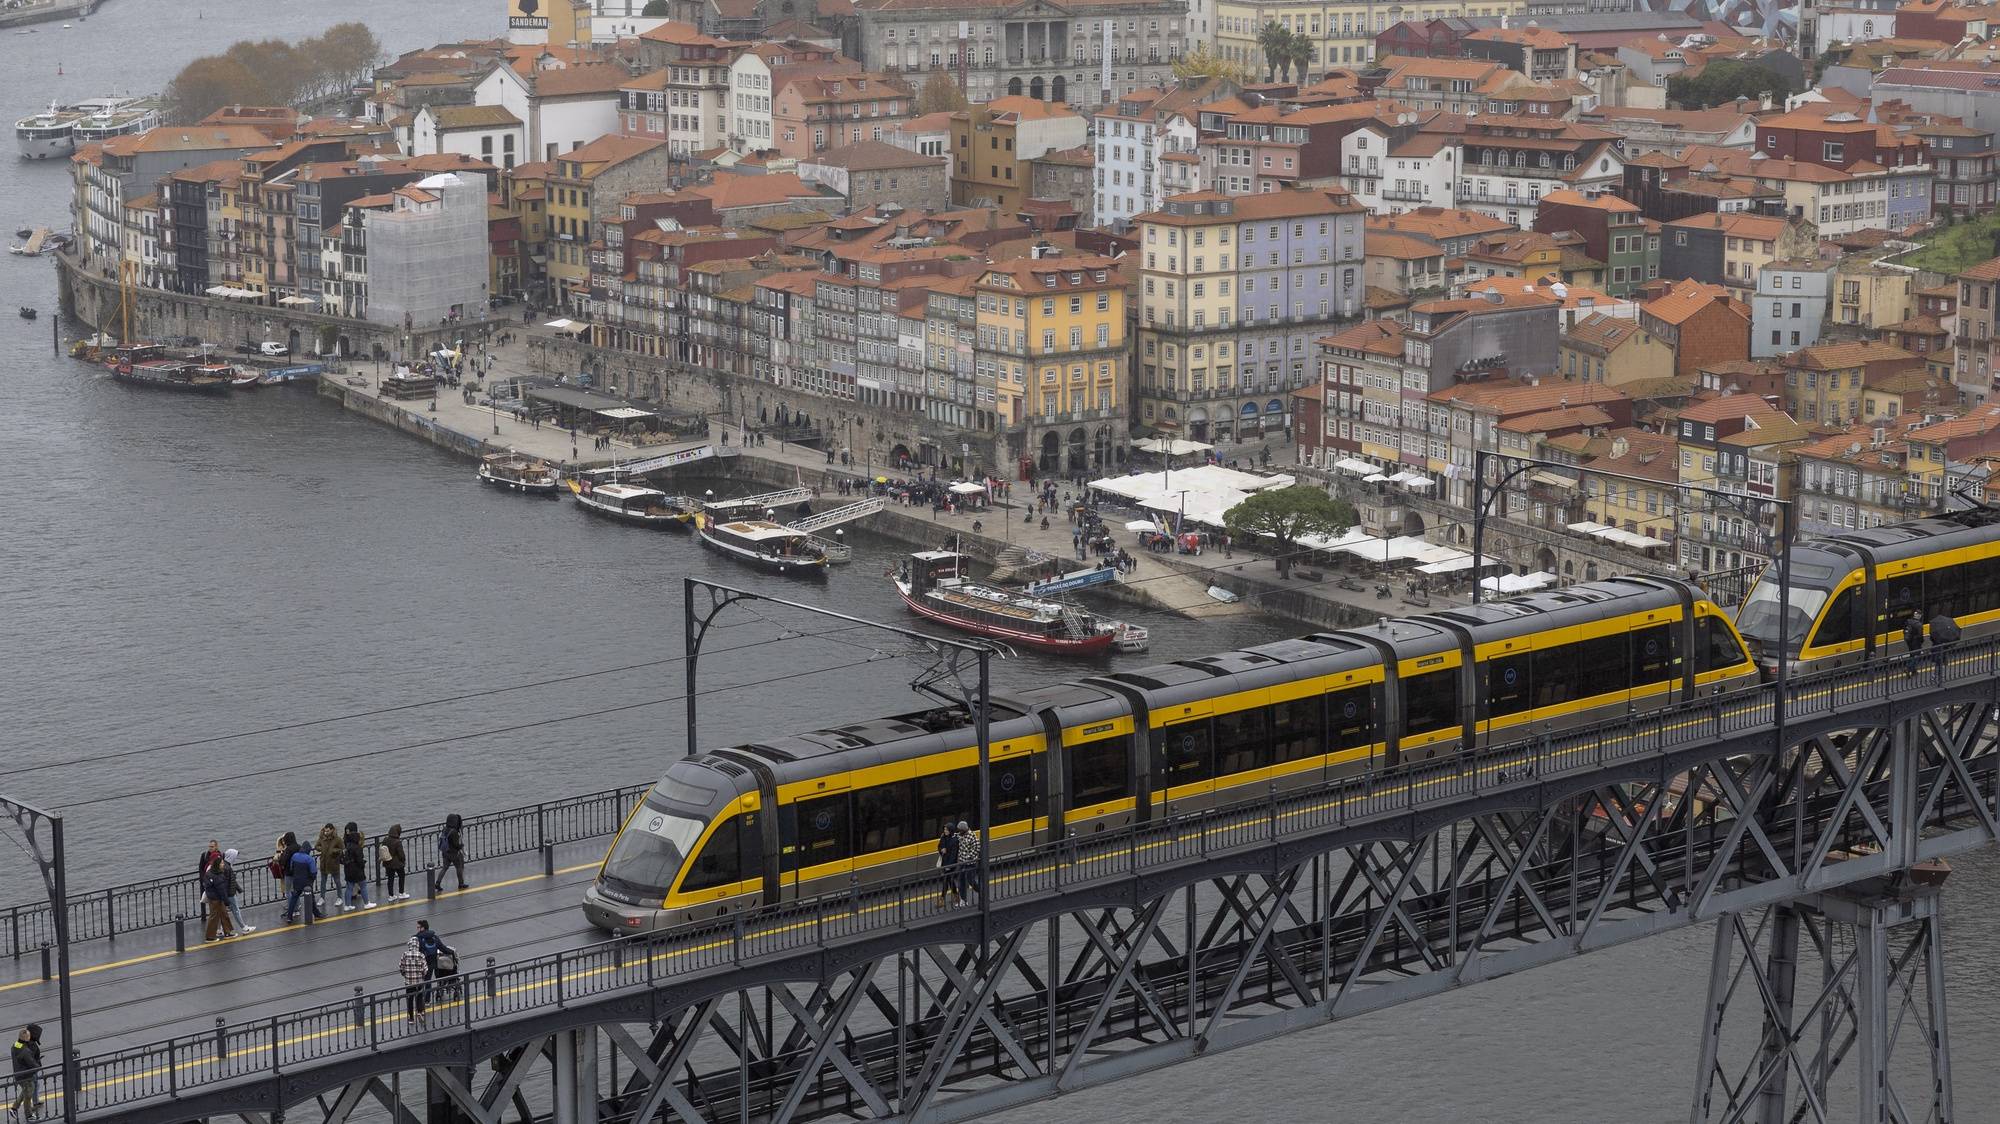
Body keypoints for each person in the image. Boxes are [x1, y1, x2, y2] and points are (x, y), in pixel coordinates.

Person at [218, 849, 254, 934]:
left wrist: (238, 889)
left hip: (228, 893)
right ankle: (244, 928)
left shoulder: (226, 866)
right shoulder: (227, 867)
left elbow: (230, 880)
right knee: (236, 910)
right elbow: (227, 882)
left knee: (222, 912)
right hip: (230, 894)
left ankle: (220, 929)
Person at [10, 1024, 41, 1123]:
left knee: (25, 1091)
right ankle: (29, 1115)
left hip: (18, 1074)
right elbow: (32, 1064)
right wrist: (38, 1067)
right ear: (27, 1038)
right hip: (27, 1075)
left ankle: (14, 1108)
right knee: (28, 1096)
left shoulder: (15, 1046)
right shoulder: (25, 1051)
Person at [201, 855, 235, 942]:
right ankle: (210, 937)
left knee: (223, 914)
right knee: (215, 916)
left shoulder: (209, 873)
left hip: (212, 898)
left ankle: (227, 932)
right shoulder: (218, 876)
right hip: (217, 899)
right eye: (222, 863)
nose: (223, 864)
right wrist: (226, 901)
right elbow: (222, 890)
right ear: (218, 865)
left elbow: (206, 885)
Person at [398, 938, 431, 1025]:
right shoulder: (421, 955)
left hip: (409, 982)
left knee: (410, 1000)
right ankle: (420, 1012)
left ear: (409, 945)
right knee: (419, 996)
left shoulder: (405, 955)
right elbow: (425, 969)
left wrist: (405, 974)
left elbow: (401, 967)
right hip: (419, 981)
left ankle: (411, 1019)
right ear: (417, 945)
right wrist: (422, 976)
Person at [283, 841, 318, 925]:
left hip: (297, 881)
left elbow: (291, 868)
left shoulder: (295, 856)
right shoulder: (309, 859)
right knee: (311, 898)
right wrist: (311, 879)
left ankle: (289, 917)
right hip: (307, 882)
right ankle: (317, 914)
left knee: (294, 899)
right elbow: (313, 872)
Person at [341, 823, 374, 911]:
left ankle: (347, 905)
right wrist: (362, 865)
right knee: (363, 885)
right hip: (357, 870)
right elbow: (359, 860)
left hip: (348, 868)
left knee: (349, 887)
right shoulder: (357, 847)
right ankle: (367, 903)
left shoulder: (347, 845)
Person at [954, 821, 983, 906]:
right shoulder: (960, 835)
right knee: (961, 881)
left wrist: (968, 858)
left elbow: (976, 849)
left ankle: (982, 893)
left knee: (971, 881)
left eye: (960, 830)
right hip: (962, 862)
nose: (959, 831)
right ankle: (963, 900)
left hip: (970, 863)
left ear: (964, 829)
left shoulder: (972, 836)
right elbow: (954, 836)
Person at [314, 823, 343, 902]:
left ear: (332, 830)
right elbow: (316, 846)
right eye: (325, 831)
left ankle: (340, 897)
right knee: (323, 881)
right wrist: (322, 849)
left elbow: (342, 849)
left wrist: (334, 851)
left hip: (334, 862)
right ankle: (322, 897)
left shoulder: (337, 839)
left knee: (337, 881)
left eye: (328, 831)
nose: (326, 833)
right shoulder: (322, 838)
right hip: (324, 863)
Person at [440, 813, 469, 891]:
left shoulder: (444, 829)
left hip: (445, 852)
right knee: (459, 868)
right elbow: (456, 844)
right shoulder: (454, 832)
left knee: (444, 868)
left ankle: (437, 883)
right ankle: (461, 884)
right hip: (454, 854)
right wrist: (461, 846)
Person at [380, 825, 409, 901]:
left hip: (388, 862)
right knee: (401, 876)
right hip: (397, 864)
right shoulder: (397, 842)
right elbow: (401, 854)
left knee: (390, 879)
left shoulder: (385, 839)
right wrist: (403, 861)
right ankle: (401, 893)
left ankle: (391, 895)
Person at [935, 825, 961, 906]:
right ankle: (956, 895)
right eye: (944, 829)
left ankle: (942, 899)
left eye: (946, 830)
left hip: (951, 864)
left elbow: (954, 855)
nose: (945, 831)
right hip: (944, 862)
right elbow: (939, 846)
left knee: (946, 880)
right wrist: (941, 850)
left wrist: (949, 866)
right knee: (950, 880)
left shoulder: (955, 840)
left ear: (951, 830)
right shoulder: (943, 837)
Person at [1928, 610, 1960, 675]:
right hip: (1943, 651)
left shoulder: (1937, 635)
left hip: (1937, 650)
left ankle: (1936, 675)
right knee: (1940, 663)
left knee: (1938, 663)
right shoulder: (1948, 637)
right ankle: (1940, 675)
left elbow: (1932, 639)